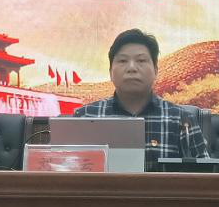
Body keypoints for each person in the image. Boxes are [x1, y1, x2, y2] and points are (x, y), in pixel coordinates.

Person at [74, 28, 209, 171]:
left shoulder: (182, 119)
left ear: (156, 70)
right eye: (123, 60)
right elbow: (67, 176)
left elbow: (205, 178)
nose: (132, 68)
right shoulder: (85, 117)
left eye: (141, 60)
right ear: (110, 72)